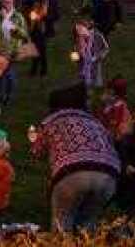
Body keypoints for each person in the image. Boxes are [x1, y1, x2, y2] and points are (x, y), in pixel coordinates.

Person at [29, 84, 121, 232]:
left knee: (62, 222)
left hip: (73, 173)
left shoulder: (51, 121)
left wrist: (34, 140)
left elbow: (37, 152)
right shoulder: (94, 121)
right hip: (109, 174)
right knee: (88, 223)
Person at [72, 19, 109, 90]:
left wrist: (98, 57)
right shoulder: (78, 37)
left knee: (95, 82)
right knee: (82, 82)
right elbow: (75, 50)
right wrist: (75, 57)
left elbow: (105, 48)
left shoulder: (97, 36)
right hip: (82, 63)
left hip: (94, 62)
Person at [97, 76, 133, 142]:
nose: (103, 95)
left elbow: (113, 124)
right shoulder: (112, 105)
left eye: (108, 92)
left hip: (115, 139)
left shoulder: (118, 106)